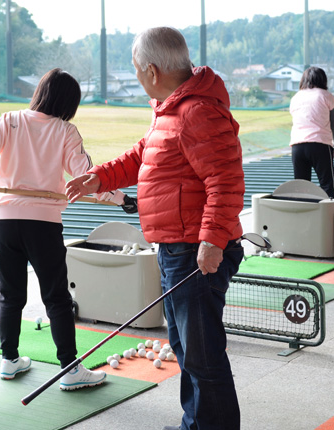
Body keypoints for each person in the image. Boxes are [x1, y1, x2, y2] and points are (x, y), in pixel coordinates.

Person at [66, 27, 244, 430]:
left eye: (135, 69)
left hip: (193, 249)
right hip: (175, 248)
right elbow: (142, 156)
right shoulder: (171, 108)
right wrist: (99, 178)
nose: (136, 76)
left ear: (151, 69)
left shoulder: (197, 112)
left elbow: (226, 181)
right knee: (185, 348)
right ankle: (195, 423)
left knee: (202, 353)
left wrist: (212, 240)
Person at [0, 68, 137, 390]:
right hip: (42, 224)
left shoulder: (10, 120)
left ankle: (9, 361)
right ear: (68, 102)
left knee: (11, 295)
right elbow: (87, 178)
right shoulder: (66, 131)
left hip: (3, 222)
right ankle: (71, 370)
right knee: (57, 298)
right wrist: (121, 199)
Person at [289, 66, 334, 199]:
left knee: (301, 188)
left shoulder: (295, 98)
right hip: (320, 146)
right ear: (323, 80)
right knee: (327, 186)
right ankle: (330, 218)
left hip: (297, 147)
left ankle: (303, 218)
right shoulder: (326, 96)